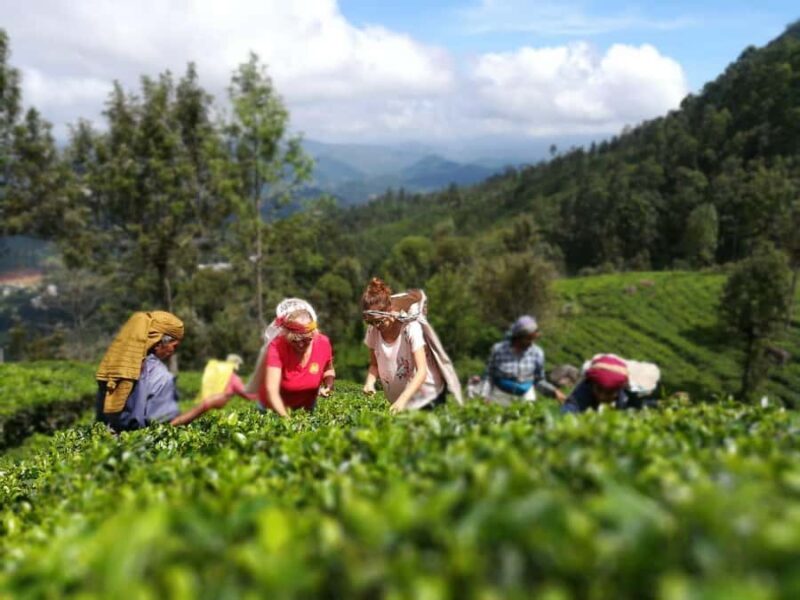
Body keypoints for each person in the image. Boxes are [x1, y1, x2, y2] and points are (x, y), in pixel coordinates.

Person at [361, 277, 463, 412]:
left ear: (390, 309)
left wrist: (402, 401)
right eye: (371, 322)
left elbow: (422, 371)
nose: (376, 326)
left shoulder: (410, 328)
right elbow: (374, 365)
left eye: (379, 321)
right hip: (400, 403)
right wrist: (369, 382)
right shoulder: (373, 330)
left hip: (426, 399)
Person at [95, 310, 184, 432]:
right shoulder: (161, 377)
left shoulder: (113, 368)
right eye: (174, 346)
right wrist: (201, 408)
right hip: (139, 446)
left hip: (107, 444)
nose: (173, 352)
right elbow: (164, 427)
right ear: (158, 343)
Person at [248, 299, 335, 417]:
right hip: (273, 408)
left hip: (306, 407)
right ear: (286, 334)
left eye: (306, 340)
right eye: (295, 340)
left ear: (313, 335)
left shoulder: (323, 343)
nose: (300, 344)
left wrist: (328, 385)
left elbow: (328, 369)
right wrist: (288, 421)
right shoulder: (277, 346)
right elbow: (271, 391)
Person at [482, 315, 566, 406]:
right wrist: (485, 396)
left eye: (533, 339)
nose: (531, 343)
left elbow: (539, 381)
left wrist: (554, 392)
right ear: (518, 337)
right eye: (528, 339)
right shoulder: (498, 350)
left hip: (525, 397)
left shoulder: (537, 353)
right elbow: (489, 376)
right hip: (501, 396)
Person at [169, 354, 257, 426]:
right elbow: (248, 395)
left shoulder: (216, 373)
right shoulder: (234, 378)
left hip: (202, 413)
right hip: (219, 416)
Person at [561, 354, 660, 414]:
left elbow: (636, 408)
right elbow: (572, 407)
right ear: (592, 385)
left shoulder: (628, 392)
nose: (602, 396)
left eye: (609, 392)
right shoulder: (586, 388)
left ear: (618, 389)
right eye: (599, 390)